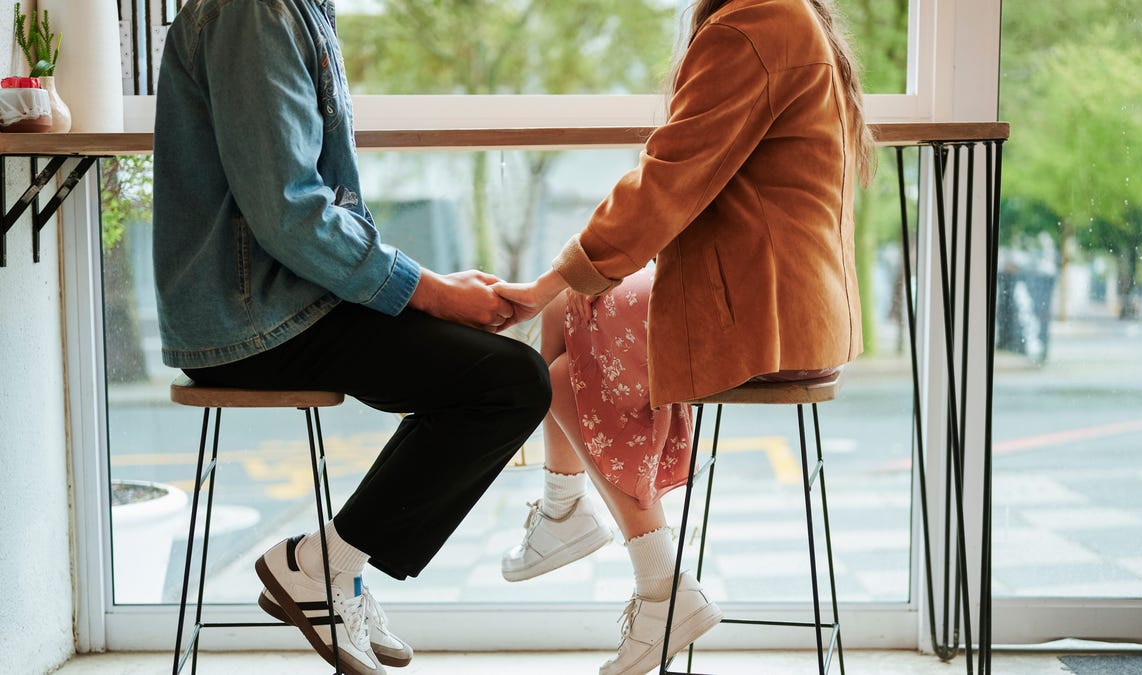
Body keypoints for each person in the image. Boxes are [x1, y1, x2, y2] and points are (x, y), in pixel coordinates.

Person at [152, 1, 551, 674]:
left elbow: (308, 206)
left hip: (280, 302)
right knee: (507, 383)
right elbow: (291, 212)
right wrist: (432, 292)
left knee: (494, 376)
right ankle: (324, 566)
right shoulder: (257, 12)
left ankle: (332, 565)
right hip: (254, 320)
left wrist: (429, 288)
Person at [495, 0, 874, 672]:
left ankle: (659, 587)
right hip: (790, 303)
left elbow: (665, 184)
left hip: (765, 313)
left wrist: (544, 282)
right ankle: (564, 513)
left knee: (561, 370)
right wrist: (561, 282)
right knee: (567, 307)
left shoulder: (752, 26)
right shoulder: (788, 14)